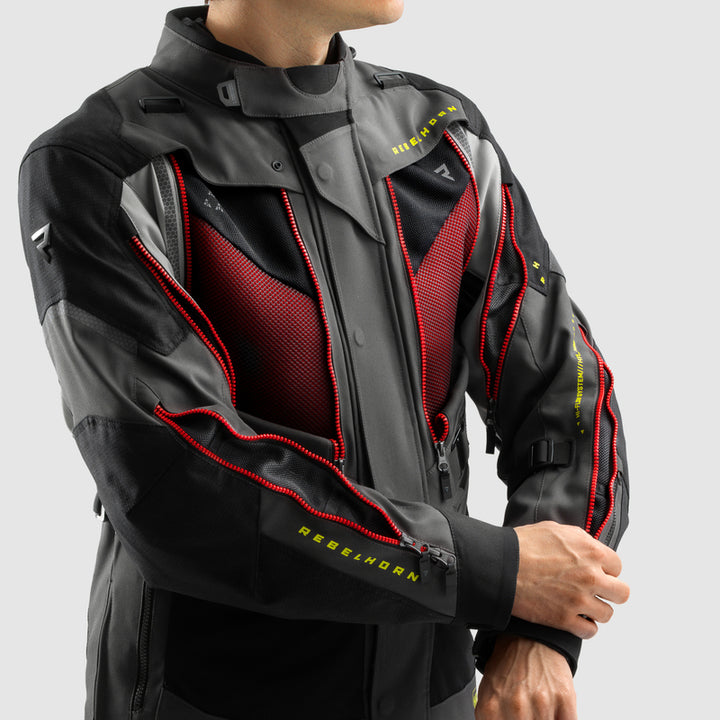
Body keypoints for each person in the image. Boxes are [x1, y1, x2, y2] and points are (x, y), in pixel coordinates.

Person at [18, 1, 630, 719]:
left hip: (435, 698)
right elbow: (175, 480)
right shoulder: (103, 163)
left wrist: (539, 630)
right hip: (203, 699)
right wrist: (498, 575)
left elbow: (567, 395)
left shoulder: (443, 135)